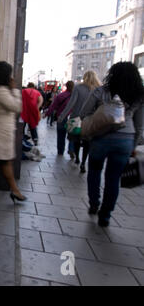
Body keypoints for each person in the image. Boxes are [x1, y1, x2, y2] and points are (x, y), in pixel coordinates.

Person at [80, 62, 144, 227]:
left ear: (112, 74)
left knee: (94, 171)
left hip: (101, 138)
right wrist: (133, 146)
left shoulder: (101, 91)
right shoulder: (138, 95)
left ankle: (94, 203)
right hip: (125, 139)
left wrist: (96, 121)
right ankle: (105, 215)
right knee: (113, 178)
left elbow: (84, 113)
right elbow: (139, 126)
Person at [0, 62, 27, 203]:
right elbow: (17, 106)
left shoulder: (0, 89)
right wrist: (16, 90)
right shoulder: (1, 90)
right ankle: (15, 191)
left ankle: (15, 191)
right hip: (0, 133)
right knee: (2, 162)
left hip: (2, 133)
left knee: (3, 162)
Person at [59, 71, 102, 173]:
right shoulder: (98, 89)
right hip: (91, 120)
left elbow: (71, 103)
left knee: (76, 140)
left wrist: (62, 116)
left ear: (84, 77)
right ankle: (83, 162)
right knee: (87, 142)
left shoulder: (78, 87)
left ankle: (77, 158)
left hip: (77, 119)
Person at [45, 81, 75, 155]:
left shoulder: (61, 95)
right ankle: (71, 149)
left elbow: (53, 106)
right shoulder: (75, 96)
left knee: (61, 135)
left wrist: (47, 114)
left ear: (66, 86)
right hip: (72, 118)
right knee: (73, 135)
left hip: (61, 117)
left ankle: (60, 151)